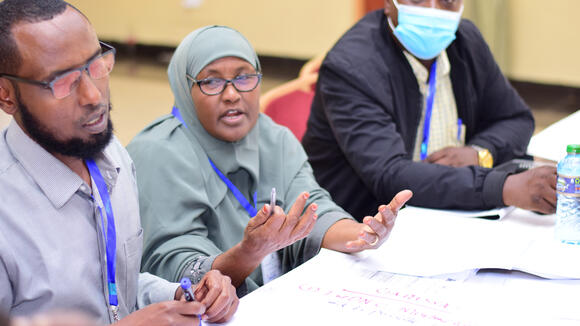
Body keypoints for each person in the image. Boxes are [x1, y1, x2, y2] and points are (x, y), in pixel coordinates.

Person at [126, 25, 413, 297]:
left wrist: (362, 234)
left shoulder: (273, 138)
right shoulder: (158, 153)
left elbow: (313, 207)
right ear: (183, 88)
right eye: (211, 81)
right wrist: (249, 252)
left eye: (244, 77)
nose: (231, 94)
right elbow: (176, 268)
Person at [0, 1, 237, 324]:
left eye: (96, 65)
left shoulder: (113, 155)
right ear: (6, 95)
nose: (94, 96)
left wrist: (179, 296)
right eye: (62, 81)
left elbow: (112, 289)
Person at [302, 0, 557, 219]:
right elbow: (391, 176)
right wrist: (502, 187)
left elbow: (515, 119)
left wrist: (479, 154)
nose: (433, 11)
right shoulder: (352, 68)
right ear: (390, 3)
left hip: (447, 213)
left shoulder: (466, 41)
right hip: (362, 226)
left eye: (447, 0)